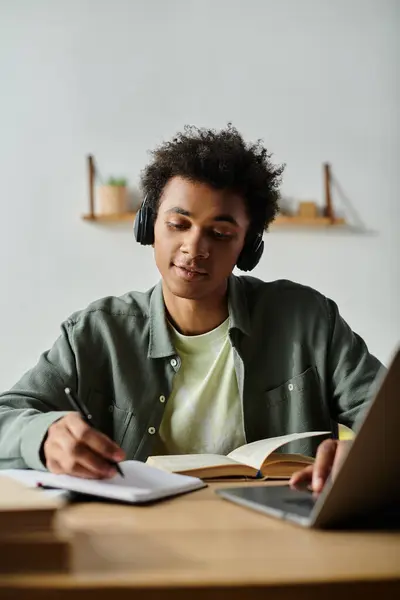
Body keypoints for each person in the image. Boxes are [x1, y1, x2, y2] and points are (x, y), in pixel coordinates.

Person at [0, 125, 381, 491]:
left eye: (220, 234)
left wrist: (360, 456)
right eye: (178, 224)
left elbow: (387, 420)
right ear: (149, 226)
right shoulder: (96, 332)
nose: (194, 248)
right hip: (135, 538)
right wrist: (43, 436)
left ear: (249, 248)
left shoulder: (308, 320)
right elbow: (7, 418)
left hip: (282, 537)